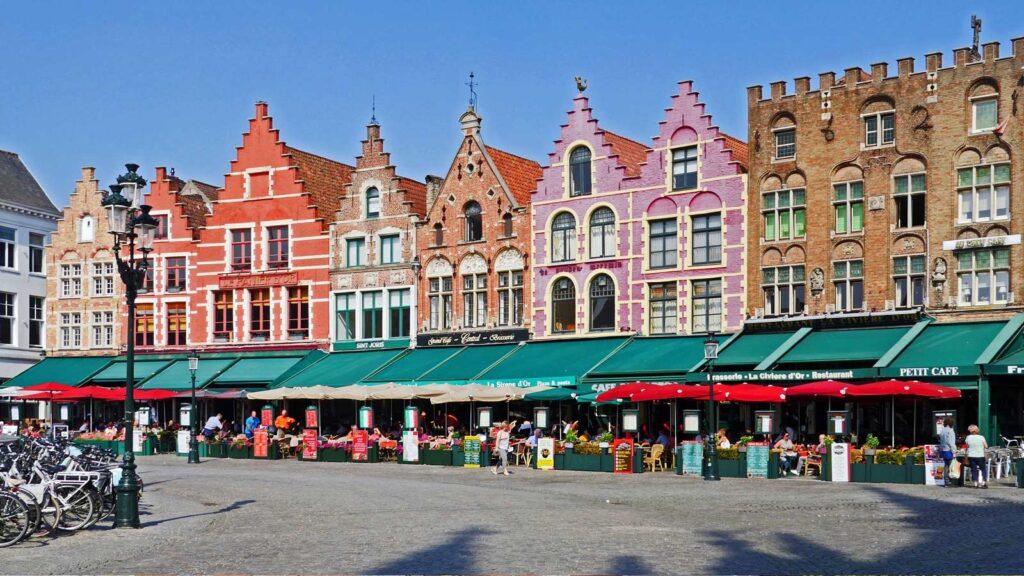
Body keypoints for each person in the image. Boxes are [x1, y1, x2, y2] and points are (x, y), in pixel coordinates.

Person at [965, 424, 988, 489]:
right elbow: (986, 446)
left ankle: (975, 483)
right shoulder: (981, 437)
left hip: (971, 456)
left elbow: (967, 446)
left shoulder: (968, 437)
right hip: (980, 455)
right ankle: (983, 483)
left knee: (974, 469)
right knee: (983, 469)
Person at [938, 417, 957, 487]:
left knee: (946, 466)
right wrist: (954, 451)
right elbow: (951, 442)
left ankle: (946, 482)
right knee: (951, 466)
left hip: (943, 450)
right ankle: (950, 481)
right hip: (949, 450)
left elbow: (941, 441)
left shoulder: (942, 431)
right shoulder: (951, 431)